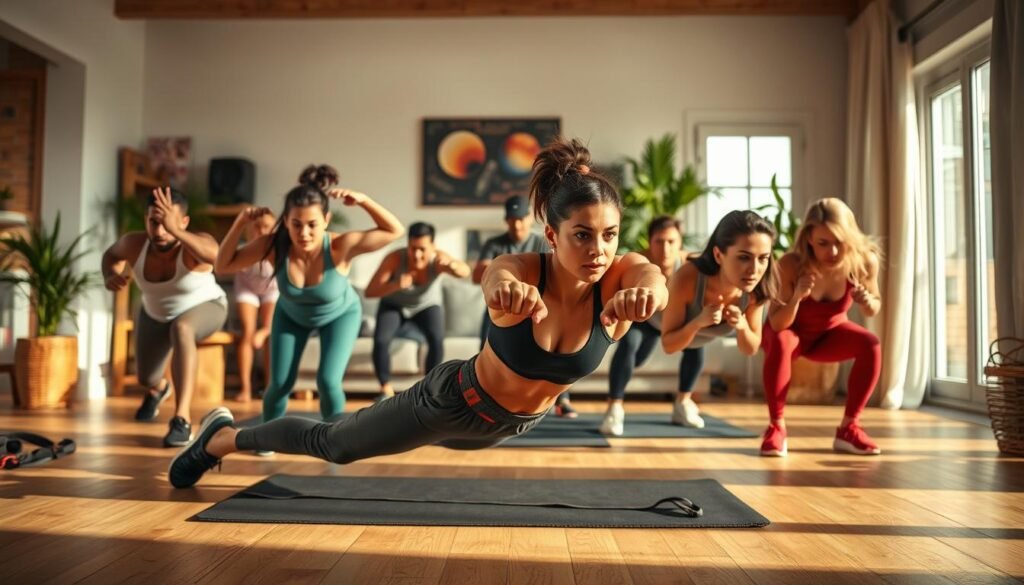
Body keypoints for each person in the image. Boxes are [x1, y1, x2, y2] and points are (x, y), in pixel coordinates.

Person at [168, 137, 669, 488]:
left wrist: (646, 296)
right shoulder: (521, 267)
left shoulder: (621, 276)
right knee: (336, 443)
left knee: (354, 430)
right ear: (553, 235)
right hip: (451, 402)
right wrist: (508, 295)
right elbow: (498, 278)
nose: (599, 249)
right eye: (582, 234)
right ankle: (224, 439)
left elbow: (654, 278)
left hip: (507, 427)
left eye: (609, 234)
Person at [214, 165, 403, 425]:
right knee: (279, 384)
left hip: (340, 316)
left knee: (327, 381)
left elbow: (395, 231)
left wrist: (364, 201)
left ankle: (336, 440)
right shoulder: (274, 247)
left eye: (312, 225)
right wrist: (239, 224)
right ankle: (266, 439)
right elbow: (222, 265)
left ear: (326, 220)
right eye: (296, 224)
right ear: (286, 222)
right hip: (291, 316)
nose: (304, 234)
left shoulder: (339, 246)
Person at [101, 187, 227, 447]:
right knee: (145, 378)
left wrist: (177, 232)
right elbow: (111, 255)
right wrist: (110, 274)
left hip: (207, 306)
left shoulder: (194, 244)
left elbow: (217, 257)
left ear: (184, 222)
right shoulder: (134, 244)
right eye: (153, 222)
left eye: (167, 224)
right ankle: (158, 389)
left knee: (182, 328)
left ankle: (181, 420)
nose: (159, 231)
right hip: (155, 313)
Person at [760, 198, 883, 457]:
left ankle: (849, 428)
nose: (833, 252)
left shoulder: (864, 262)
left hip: (829, 335)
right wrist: (797, 297)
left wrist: (866, 300)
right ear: (808, 240)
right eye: (823, 244)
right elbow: (778, 322)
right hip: (789, 331)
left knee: (870, 344)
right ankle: (776, 427)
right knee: (782, 340)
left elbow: (874, 307)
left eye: (840, 242)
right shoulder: (792, 264)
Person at [659, 210, 779, 432]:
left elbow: (750, 348)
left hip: (696, 337)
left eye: (763, 258)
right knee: (635, 346)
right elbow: (668, 345)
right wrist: (698, 322)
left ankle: (683, 402)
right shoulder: (687, 277)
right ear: (718, 255)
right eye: (744, 257)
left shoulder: (754, 289)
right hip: (655, 318)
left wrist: (742, 326)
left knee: (697, 348)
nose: (754, 270)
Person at [472, 195, 577, 418]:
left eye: (521, 219)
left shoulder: (542, 241)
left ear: (530, 219)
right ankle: (486, 399)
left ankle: (563, 399)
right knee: (487, 345)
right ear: (506, 220)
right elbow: (477, 276)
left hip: (541, 308)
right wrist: (500, 271)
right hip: (504, 309)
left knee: (560, 347)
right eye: (512, 219)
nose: (517, 224)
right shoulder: (494, 244)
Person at [600, 215, 693, 435]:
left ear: (680, 242)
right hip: (646, 320)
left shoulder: (691, 263)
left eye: (671, 242)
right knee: (631, 349)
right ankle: (614, 407)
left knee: (697, 341)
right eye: (659, 242)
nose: (665, 248)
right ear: (650, 243)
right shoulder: (639, 262)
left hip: (677, 319)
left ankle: (683, 403)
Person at [364, 222, 471, 401]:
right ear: (408, 245)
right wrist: (396, 284)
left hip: (426, 306)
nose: (417, 255)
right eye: (413, 248)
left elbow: (464, 271)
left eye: (422, 249)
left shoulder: (438, 259)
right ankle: (385, 389)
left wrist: (452, 265)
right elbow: (370, 291)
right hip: (394, 305)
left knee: (436, 339)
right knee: (381, 339)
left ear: (433, 246)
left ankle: (429, 388)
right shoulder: (395, 259)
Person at [232, 211, 278, 403]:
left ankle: (269, 388)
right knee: (247, 333)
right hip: (247, 289)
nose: (261, 230)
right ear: (250, 229)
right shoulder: (244, 249)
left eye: (266, 226)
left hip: (272, 289)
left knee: (271, 335)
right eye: (257, 226)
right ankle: (245, 388)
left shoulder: (278, 249)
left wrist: (265, 330)